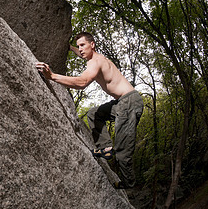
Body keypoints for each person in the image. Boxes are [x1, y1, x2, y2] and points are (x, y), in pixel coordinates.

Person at [36, 32, 144, 189]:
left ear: (92, 45)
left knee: (122, 152)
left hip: (129, 103)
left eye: (83, 45)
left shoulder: (94, 62)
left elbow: (82, 82)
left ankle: (128, 183)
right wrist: (70, 47)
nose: (80, 49)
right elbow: (82, 54)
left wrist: (52, 76)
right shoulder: (97, 58)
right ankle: (106, 148)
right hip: (122, 103)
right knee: (94, 114)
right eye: (78, 46)